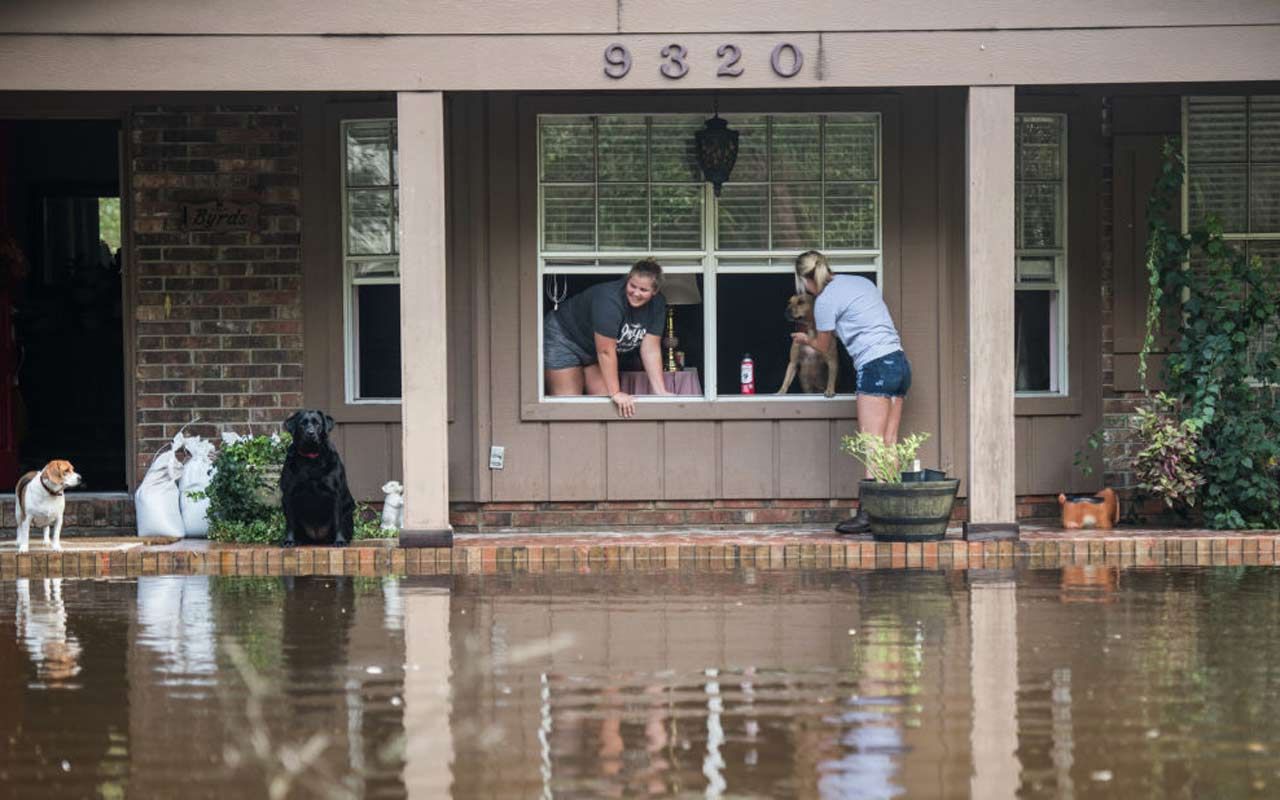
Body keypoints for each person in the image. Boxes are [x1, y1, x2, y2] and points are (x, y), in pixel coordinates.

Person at [791, 250, 912, 533]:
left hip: (875, 366)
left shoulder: (824, 301)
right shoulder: (861, 282)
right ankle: (890, 510)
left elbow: (823, 346)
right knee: (889, 441)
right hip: (900, 363)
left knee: (871, 443)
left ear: (805, 280)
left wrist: (803, 338)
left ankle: (868, 514)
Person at [543, 258, 671, 417]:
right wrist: (616, 392)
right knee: (569, 405)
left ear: (655, 291)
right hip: (564, 338)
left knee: (607, 405)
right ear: (627, 279)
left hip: (592, 349)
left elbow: (651, 349)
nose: (636, 293)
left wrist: (661, 392)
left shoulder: (657, 304)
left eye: (643, 290)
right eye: (632, 286)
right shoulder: (609, 299)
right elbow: (605, 352)